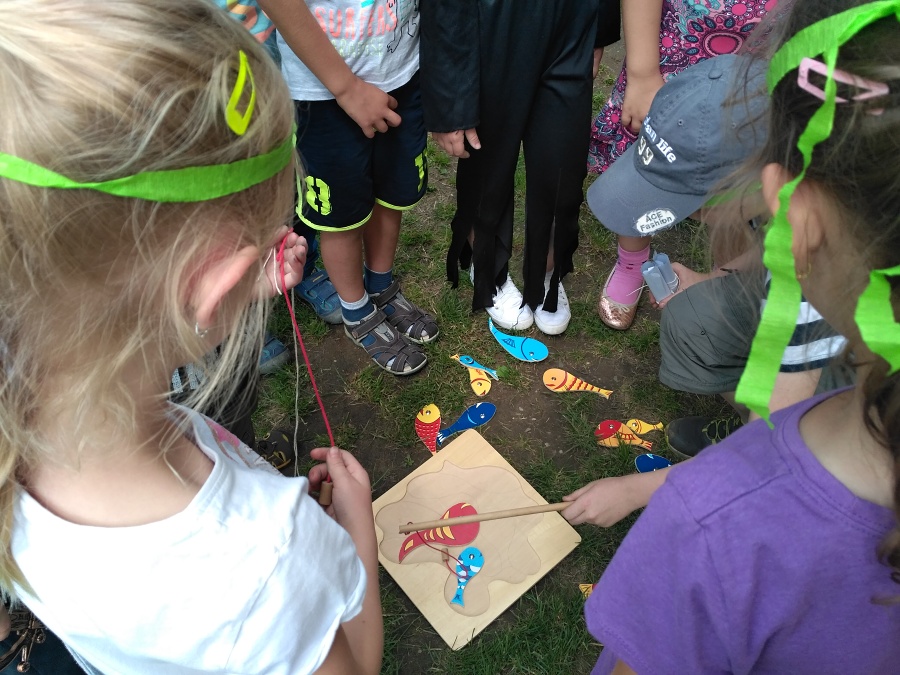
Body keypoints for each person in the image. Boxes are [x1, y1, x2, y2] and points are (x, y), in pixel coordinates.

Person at [0, 2, 382, 673]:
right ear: (211, 285)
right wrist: (359, 538)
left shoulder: (21, 423)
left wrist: (228, 285)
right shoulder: (264, 564)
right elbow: (362, 663)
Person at [583, 1, 900, 671]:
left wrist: (647, 492)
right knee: (699, 320)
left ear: (781, 198)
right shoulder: (853, 253)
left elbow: (775, 433)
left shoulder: (713, 527)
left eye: (696, 205)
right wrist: (718, 277)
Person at [420, 0, 620, 335]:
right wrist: (450, 97)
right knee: (489, 162)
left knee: (562, 162)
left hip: (570, 19)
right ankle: (488, 266)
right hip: (490, 18)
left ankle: (547, 272)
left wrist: (600, 26)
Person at [268, 0, 438, 376]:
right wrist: (346, 88)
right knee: (340, 215)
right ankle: (356, 310)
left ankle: (380, 285)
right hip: (321, 90)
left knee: (391, 194)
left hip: (402, 69)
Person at [589, 0, 777, 330]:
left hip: (763, 76)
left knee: (737, 200)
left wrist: (716, 278)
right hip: (679, 54)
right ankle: (633, 262)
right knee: (651, 169)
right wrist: (643, 74)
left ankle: (730, 276)